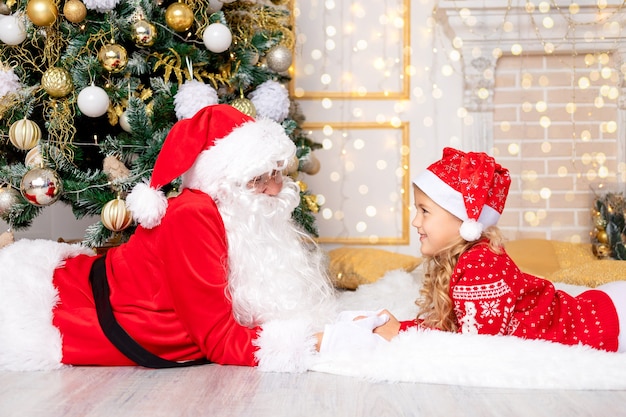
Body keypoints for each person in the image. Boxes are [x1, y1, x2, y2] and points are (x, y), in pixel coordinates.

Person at [0, 104, 336, 372]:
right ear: (221, 181)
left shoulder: (228, 213)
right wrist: (323, 343)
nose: (276, 189)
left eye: (277, 173)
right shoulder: (193, 215)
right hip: (62, 303)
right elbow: (219, 340)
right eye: (259, 178)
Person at [320, 147, 625, 354]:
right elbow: (459, 327)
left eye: (425, 211)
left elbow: (476, 349)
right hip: (600, 307)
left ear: (463, 221)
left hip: (610, 321)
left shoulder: (481, 263)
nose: (415, 221)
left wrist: (401, 336)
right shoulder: (464, 258)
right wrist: (402, 326)